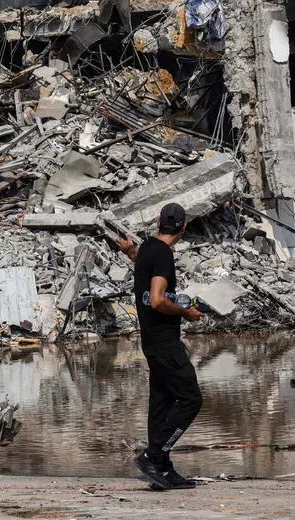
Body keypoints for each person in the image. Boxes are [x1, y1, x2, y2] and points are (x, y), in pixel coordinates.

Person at [117, 203, 204, 491]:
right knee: (191, 399)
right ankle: (153, 456)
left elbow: (143, 265)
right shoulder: (164, 253)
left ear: (158, 222)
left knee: (162, 403)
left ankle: (163, 470)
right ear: (183, 228)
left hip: (151, 340)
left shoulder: (147, 248)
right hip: (165, 341)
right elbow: (156, 300)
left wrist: (130, 251)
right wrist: (185, 312)